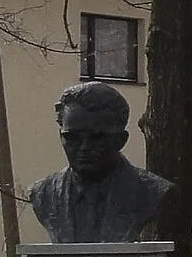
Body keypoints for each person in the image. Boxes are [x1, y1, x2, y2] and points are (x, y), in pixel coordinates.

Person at [27, 82, 172, 243]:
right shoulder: (42, 193)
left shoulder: (151, 192)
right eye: (72, 137)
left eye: (97, 138)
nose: (84, 147)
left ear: (121, 140)